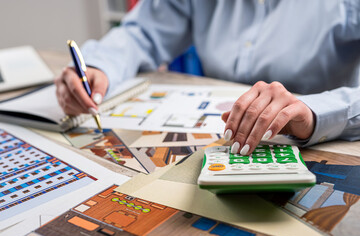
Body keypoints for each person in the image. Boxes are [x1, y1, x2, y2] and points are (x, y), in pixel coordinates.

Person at [55, 0, 360, 155]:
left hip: (327, 146)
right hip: (215, 138)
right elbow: (143, 33)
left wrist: (315, 112)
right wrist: (98, 66)